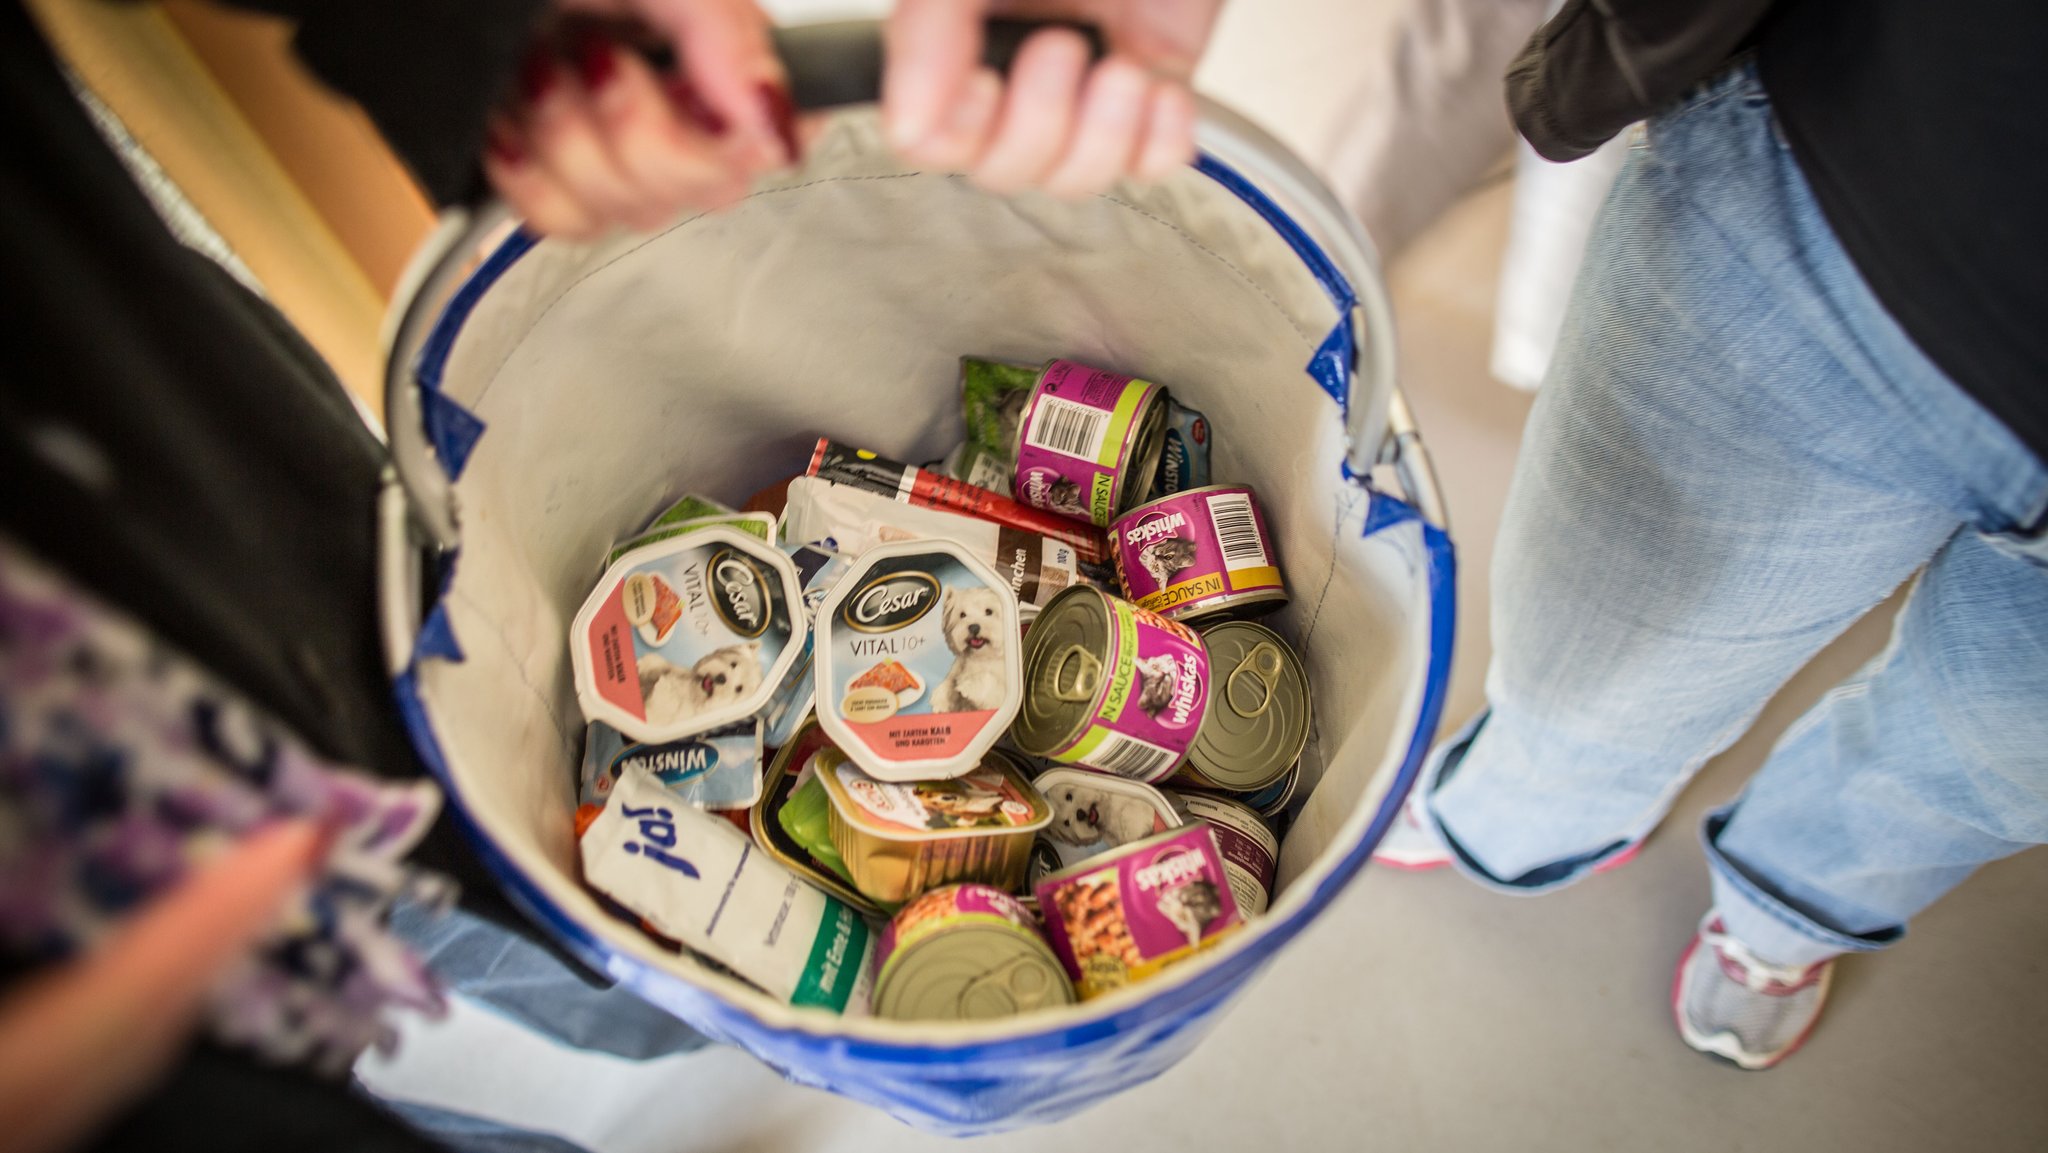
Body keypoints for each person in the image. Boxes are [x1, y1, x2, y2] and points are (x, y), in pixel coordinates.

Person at [1, 1, 1209, 1150]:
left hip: (248, 538)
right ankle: (665, 1001)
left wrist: (498, 35)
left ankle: (652, 1009)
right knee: (574, 900)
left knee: (549, 920)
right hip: (145, 1046)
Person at [908, 0, 2048, 1073]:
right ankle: (1527, 806)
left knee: (1986, 763)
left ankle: (1791, 908)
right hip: (1853, 182)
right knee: (1596, 651)